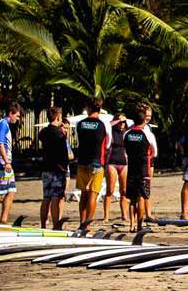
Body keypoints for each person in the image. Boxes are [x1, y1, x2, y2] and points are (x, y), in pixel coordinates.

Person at [75, 97, 112, 225]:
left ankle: (82, 221)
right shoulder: (103, 124)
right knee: (93, 194)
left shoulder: (80, 123)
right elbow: (107, 144)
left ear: (88, 108)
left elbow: (79, 140)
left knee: (83, 194)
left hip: (82, 161)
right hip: (97, 161)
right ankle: (88, 224)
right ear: (100, 108)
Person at [0, 102, 22, 225]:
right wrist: (6, 162)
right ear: (10, 114)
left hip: (5, 162)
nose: (17, 119)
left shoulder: (4, 124)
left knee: (11, 190)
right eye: (17, 116)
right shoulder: (3, 124)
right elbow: (0, 143)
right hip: (1, 162)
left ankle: (3, 220)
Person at [124, 103, 158, 232]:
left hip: (131, 168)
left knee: (132, 199)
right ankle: (139, 225)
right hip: (143, 168)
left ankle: (131, 224)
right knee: (142, 197)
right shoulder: (148, 134)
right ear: (144, 120)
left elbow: (125, 150)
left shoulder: (127, 134)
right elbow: (155, 153)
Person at [38, 107, 70, 229]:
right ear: (57, 117)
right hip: (57, 169)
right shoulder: (59, 133)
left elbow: (42, 137)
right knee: (56, 198)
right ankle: (56, 224)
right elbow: (63, 153)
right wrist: (64, 167)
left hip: (46, 167)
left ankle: (43, 224)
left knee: (46, 197)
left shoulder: (44, 132)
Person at [103, 114, 129, 223]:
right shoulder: (111, 131)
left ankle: (124, 214)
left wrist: (124, 121)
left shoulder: (126, 133)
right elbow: (107, 125)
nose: (122, 124)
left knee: (124, 191)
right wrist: (117, 120)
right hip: (112, 162)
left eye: (123, 122)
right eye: (120, 122)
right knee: (110, 190)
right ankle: (106, 216)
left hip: (123, 163)